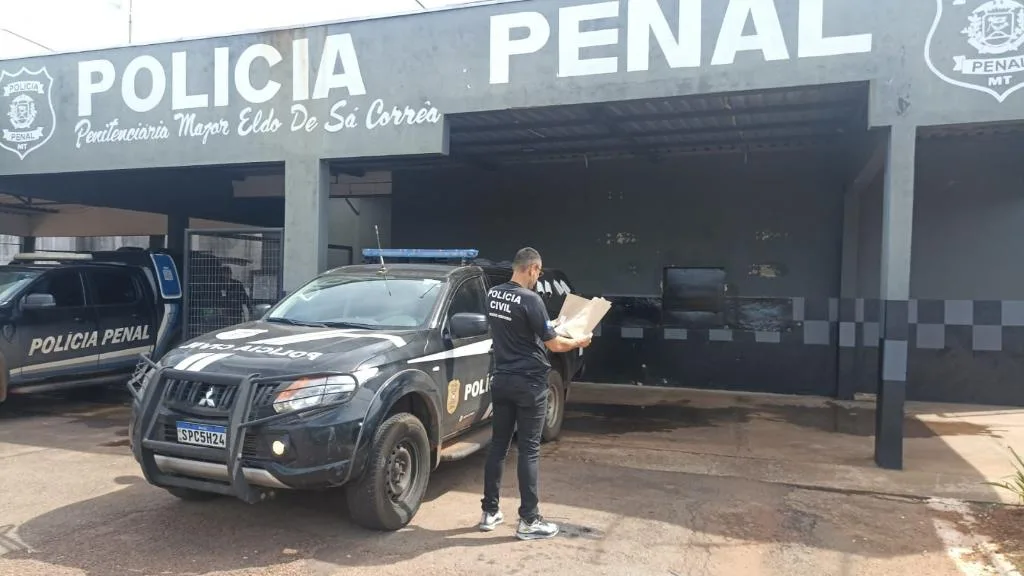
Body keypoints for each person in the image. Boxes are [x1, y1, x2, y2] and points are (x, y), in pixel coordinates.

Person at [478, 247, 592, 540]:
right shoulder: (531, 299)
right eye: (538, 273)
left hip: (502, 379)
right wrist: (579, 341)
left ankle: (489, 512)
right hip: (529, 383)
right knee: (529, 450)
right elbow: (554, 345)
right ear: (532, 268)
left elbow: (520, 328)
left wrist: (551, 326)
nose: (538, 278)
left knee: (498, 446)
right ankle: (529, 519)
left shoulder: (493, 295)